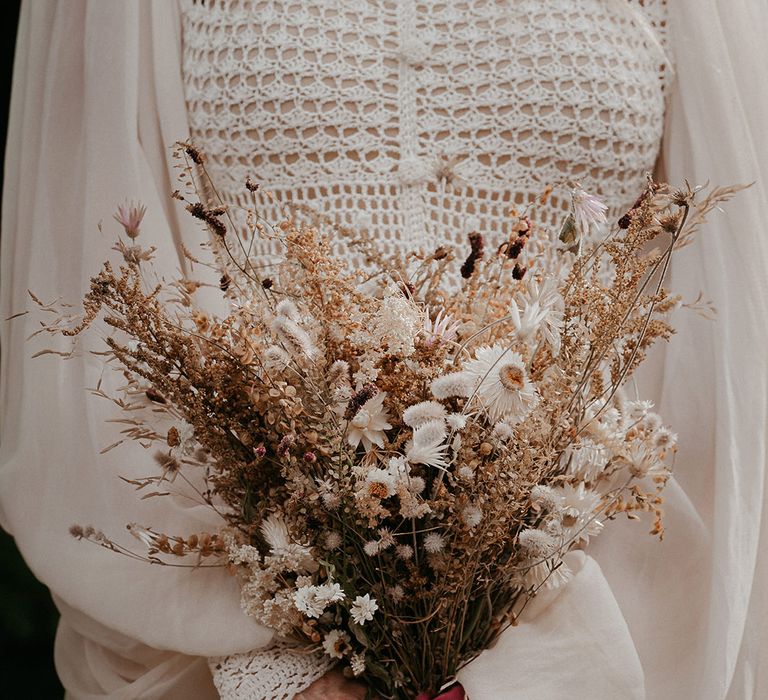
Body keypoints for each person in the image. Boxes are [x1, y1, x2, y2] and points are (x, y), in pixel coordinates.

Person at [2, 1, 766, 698]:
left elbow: (723, 344)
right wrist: (285, 668)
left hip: (619, 643)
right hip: (222, 650)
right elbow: (83, 278)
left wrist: (547, 669)